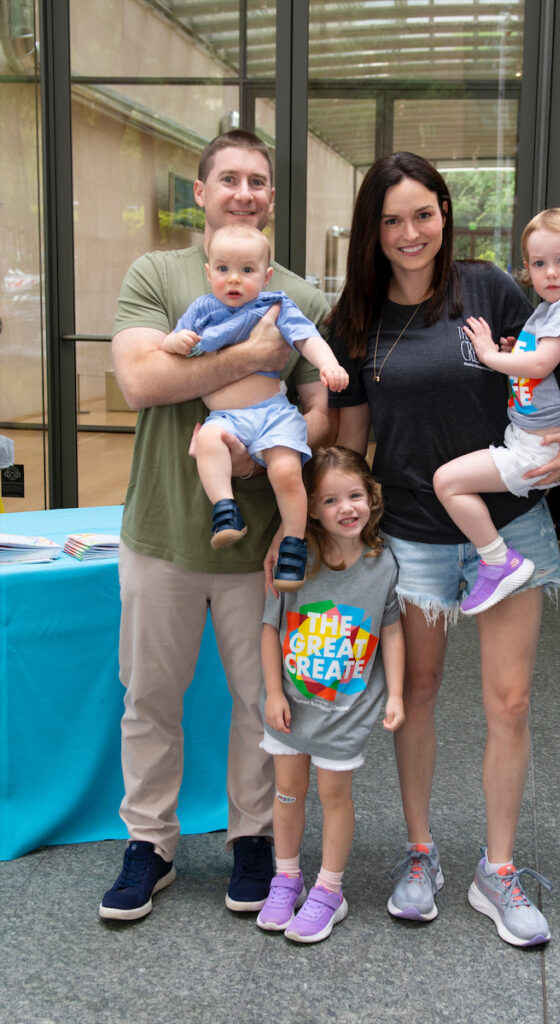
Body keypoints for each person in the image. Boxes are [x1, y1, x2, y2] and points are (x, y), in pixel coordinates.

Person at [327, 152, 560, 947]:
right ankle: (419, 854)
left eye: (423, 214)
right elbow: (349, 442)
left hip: (509, 523)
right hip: (411, 530)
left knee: (509, 702)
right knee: (421, 692)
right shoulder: (357, 320)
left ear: (445, 212)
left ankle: (497, 869)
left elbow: (556, 380)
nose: (410, 234)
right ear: (372, 231)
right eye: (392, 220)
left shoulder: (490, 289)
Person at [99, 129, 334, 922]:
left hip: (259, 545)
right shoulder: (157, 276)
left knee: (260, 702)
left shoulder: (296, 293)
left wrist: (293, 452)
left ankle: (253, 838)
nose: (243, 190)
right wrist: (248, 357)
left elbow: (320, 411)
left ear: (272, 197)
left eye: (258, 180)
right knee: (150, 698)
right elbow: (139, 380)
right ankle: (149, 844)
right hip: (161, 534)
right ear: (198, 193)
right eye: (227, 178)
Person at [432, 208, 560, 616]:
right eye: (539, 263)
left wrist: (485, 354)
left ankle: (498, 562)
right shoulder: (555, 309)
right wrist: (507, 353)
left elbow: (538, 366)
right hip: (529, 438)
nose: (550, 273)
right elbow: (539, 368)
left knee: (447, 482)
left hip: (537, 448)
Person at [255, 446, 405, 943]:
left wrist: (396, 695)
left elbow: (393, 633)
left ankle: (329, 890)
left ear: (371, 498)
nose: (346, 508)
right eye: (330, 500)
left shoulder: (383, 565)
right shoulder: (296, 563)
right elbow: (269, 629)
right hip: (290, 710)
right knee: (287, 793)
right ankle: (287, 878)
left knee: (333, 795)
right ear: (311, 510)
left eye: (355, 495)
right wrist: (274, 691)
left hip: (346, 713)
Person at [161, 223, 348, 590]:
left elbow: (307, 338)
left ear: (266, 276)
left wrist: (328, 364)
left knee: (285, 471)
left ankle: (294, 541)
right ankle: (226, 510)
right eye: (223, 269)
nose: (234, 279)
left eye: (247, 270)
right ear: (208, 272)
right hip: (226, 417)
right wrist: (175, 341)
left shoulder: (276, 306)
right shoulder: (202, 309)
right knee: (209, 442)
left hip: (272, 414)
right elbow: (172, 343)